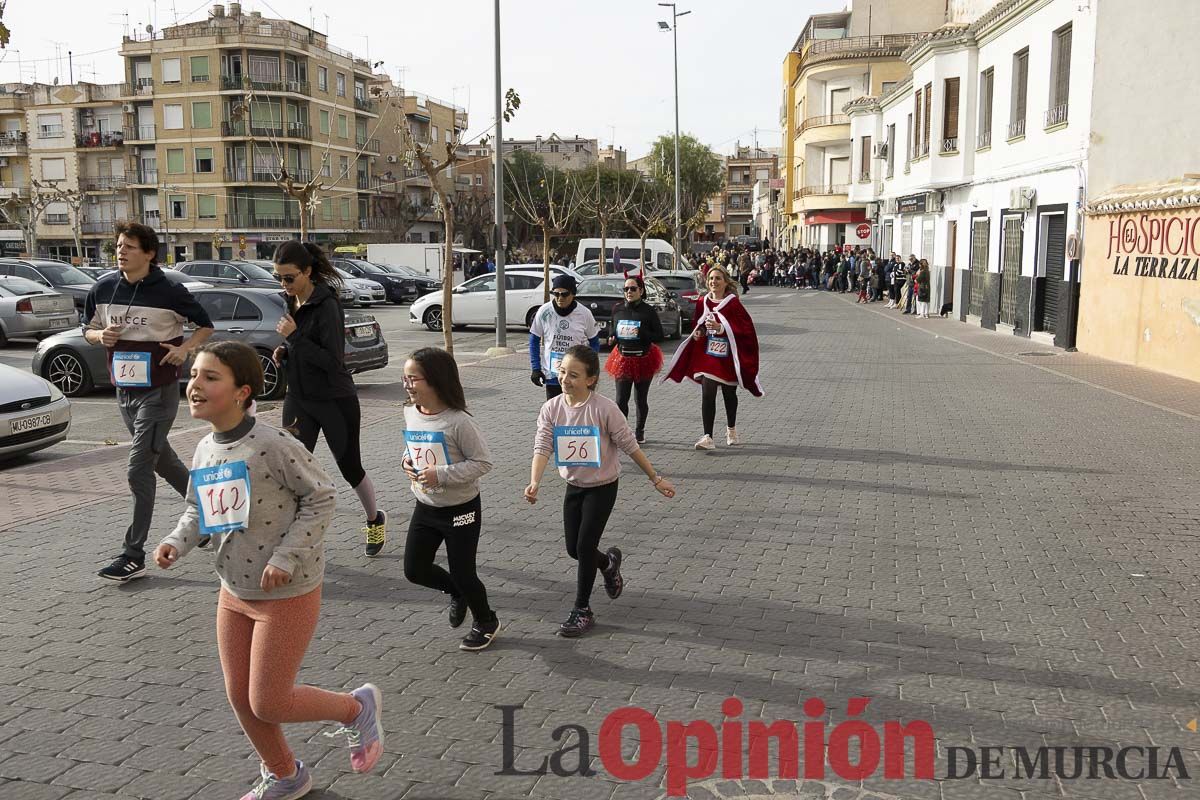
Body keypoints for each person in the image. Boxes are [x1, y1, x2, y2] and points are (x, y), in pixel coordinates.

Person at [155, 341, 383, 799]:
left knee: (270, 701)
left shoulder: (272, 444)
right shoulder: (203, 448)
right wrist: (174, 542)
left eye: (209, 377)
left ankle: (355, 709)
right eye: (194, 375)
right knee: (240, 697)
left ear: (242, 392)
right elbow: (197, 509)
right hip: (233, 589)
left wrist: (286, 556)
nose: (194, 385)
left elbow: (321, 497)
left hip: (287, 591)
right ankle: (284, 773)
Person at [86, 221, 215, 583]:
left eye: (128, 246)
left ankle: (133, 554)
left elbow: (205, 325)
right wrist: (100, 335)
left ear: (149, 253)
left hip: (158, 391)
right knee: (164, 462)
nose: (121, 252)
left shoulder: (170, 290)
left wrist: (185, 349)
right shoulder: (103, 287)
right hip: (123, 390)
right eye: (118, 246)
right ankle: (212, 516)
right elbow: (88, 328)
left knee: (138, 467)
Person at [524, 345, 676, 637]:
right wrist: (535, 482)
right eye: (563, 372)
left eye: (574, 375)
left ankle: (582, 609)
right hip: (574, 485)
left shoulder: (604, 409)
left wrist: (656, 478)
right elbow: (542, 446)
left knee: (583, 547)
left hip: (603, 487)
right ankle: (608, 563)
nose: (565, 379)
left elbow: (630, 446)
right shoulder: (552, 408)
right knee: (574, 549)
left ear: (591, 379)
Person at [271, 241, 386, 557]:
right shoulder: (290, 301)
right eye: (278, 278)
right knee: (291, 468)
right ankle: (290, 536)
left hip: (334, 399)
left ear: (307, 272)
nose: (284, 285)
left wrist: (294, 337)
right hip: (298, 398)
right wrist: (286, 351)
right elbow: (304, 348)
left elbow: (333, 360)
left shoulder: (328, 305)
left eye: (289, 278)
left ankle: (375, 518)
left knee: (349, 466)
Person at [400, 347, 501, 651]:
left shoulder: (459, 421)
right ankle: (457, 593)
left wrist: (440, 474)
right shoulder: (409, 411)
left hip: (461, 510)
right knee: (414, 569)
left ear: (434, 380)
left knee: (463, 571)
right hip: (426, 505)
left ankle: (486, 621)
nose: (406, 385)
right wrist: (406, 460)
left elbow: (483, 463)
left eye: (412, 379)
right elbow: (413, 447)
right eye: (404, 378)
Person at [662, 265, 763, 450]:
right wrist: (699, 333)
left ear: (725, 282)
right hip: (708, 355)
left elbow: (746, 329)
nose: (713, 282)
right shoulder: (703, 302)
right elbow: (698, 324)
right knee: (708, 393)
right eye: (710, 279)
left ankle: (731, 429)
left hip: (728, 357)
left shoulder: (733, 303)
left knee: (729, 394)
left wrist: (722, 328)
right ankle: (707, 436)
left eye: (717, 278)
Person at [604, 276, 665, 444]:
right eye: (626, 289)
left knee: (640, 399)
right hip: (623, 358)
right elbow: (612, 327)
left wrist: (642, 334)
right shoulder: (617, 309)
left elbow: (659, 335)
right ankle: (622, 432)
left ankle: (639, 431)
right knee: (621, 399)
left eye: (632, 289)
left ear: (641, 291)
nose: (629, 292)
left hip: (643, 358)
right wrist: (611, 336)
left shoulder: (648, 311)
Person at [529, 274, 600, 400]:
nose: (560, 298)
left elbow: (594, 341)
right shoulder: (544, 311)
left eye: (564, 294)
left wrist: (589, 367)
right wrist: (536, 368)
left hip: (576, 375)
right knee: (555, 415)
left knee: (575, 414)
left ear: (573, 294)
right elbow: (534, 339)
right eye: (556, 294)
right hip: (552, 375)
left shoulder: (584, 314)